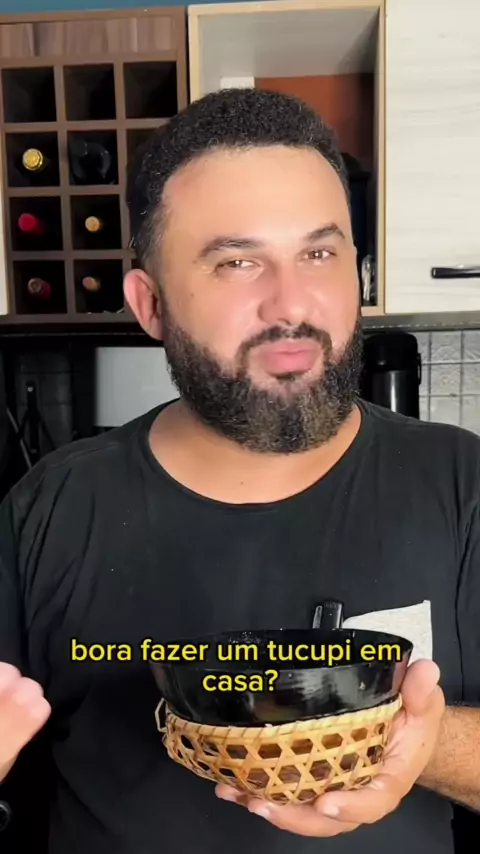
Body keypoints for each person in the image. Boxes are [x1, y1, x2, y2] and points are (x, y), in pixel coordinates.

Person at [0, 87, 478, 854]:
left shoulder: (462, 484)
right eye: (237, 262)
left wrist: (417, 739)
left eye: (319, 253)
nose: (293, 304)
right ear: (150, 304)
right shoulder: (47, 511)